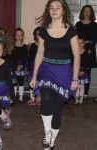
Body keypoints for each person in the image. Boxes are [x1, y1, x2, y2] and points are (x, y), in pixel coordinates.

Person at [30, 0, 80, 149]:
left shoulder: (71, 31)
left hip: (64, 71)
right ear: (48, 11)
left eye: (58, 7)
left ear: (63, 10)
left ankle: (51, 142)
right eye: (51, 7)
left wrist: (75, 78)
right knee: (45, 98)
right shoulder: (43, 31)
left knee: (57, 109)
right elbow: (39, 54)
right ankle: (47, 133)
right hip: (46, 70)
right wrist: (34, 76)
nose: (54, 10)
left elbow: (77, 56)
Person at [75, 5, 97, 100]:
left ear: (91, 13)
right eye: (85, 11)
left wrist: (90, 49)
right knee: (77, 70)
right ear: (82, 12)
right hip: (79, 51)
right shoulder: (78, 24)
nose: (87, 13)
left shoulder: (95, 25)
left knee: (87, 72)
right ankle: (77, 92)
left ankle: (85, 94)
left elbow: (95, 38)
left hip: (90, 51)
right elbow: (75, 38)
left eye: (89, 11)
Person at [26, 26, 41, 106]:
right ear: (35, 35)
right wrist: (29, 67)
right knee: (32, 81)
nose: (39, 36)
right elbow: (30, 58)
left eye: (40, 34)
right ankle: (32, 98)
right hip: (33, 66)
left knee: (40, 82)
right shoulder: (32, 45)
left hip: (42, 67)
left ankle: (39, 98)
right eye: (37, 34)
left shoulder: (44, 45)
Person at [13, 27, 28, 103]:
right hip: (14, 66)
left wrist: (21, 65)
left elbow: (26, 57)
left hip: (22, 66)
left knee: (21, 81)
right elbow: (11, 57)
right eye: (17, 35)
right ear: (15, 36)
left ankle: (21, 98)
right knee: (14, 82)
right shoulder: (12, 46)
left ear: (23, 36)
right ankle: (13, 97)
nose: (19, 37)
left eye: (21, 35)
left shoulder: (25, 46)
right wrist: (15, 66)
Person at [75, 38, 89, 105]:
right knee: (76, 86)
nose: (79, 44)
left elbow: (86, 63)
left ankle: (81, 98)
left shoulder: (85, 52)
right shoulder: (74, 51)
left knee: (82, 86)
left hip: (82, 71)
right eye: (78, 43)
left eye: (81, 43)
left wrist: (83, 71)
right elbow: (72, 62)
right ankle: (76, 98)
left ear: (84, 44)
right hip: (75, 71)